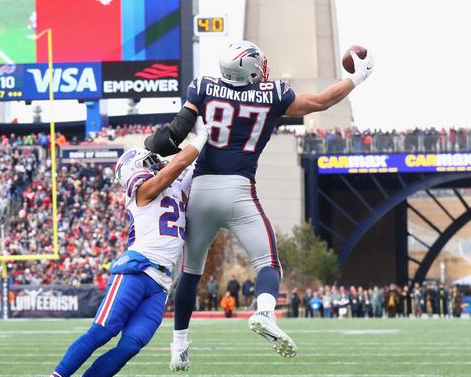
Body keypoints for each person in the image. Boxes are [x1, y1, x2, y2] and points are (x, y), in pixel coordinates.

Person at [144, 41, 374, 370]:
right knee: (268, 264)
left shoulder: (203, 87)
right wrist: (358, 78)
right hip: (239, 191)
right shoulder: (273, 94)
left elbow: (174, 136)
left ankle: (179, 347)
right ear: (249, 69)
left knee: (191, 274)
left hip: (202, 191)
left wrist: (149, 147)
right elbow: (321, 102)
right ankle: (264, 312)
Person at [49, 118, 209, 377]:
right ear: (135, 169)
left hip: (161, 283)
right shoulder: (144, 190)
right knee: (101, 332)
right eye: (150, 162)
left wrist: (204, 127)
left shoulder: (176, 188)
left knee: (130, 346)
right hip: (137, 269)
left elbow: (195, 166)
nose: (157, 163)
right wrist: (200, 136)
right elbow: (181, 162)